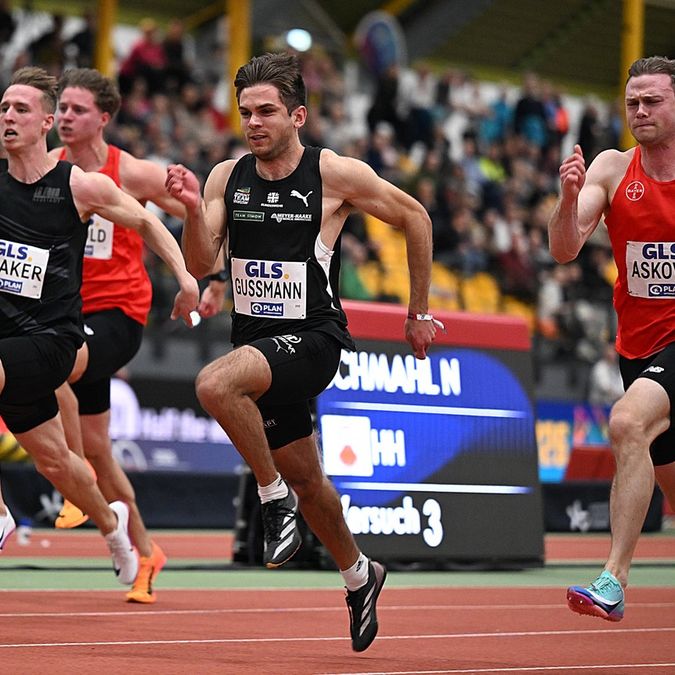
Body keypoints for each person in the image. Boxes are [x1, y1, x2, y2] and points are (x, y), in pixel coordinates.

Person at [166, 51, 438, 653]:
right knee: (311, 482)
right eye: (246, 112)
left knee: (214, 384)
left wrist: (417, 314)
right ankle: (360, 575)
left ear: (298, 116)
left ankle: (272, 501)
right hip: (257, 346)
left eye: (266, 111)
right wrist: (189, 210)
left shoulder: (333, 173)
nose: (253, 123)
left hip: (314, 339)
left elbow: (416, 218)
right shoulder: (225, 177)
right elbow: (202, 262)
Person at [0, 66, 197, 586]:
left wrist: (194, 275)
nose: (9, 117)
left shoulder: (95, 180)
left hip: (83, 328)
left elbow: (157, 219)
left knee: (67, 408)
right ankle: (122, 534)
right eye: (3, 108)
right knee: (74, 457)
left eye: (22, 109)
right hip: (18, 338)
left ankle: (2, 513)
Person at [48, 67, 225, 604]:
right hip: (69, 315)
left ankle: (75, 486)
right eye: (61, 108)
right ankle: (148, 551)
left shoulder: (132, 172)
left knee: (52, 364)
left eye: (78, 109)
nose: (65, 117)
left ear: (104, 117)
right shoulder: (49, 170)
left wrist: (213, 278)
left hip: (120, 314)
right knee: (100, 450)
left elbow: (204, 221)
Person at [548, 56, 675, 622]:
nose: (640, 111)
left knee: (626, 421)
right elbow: (564, 249)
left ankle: (613, 579)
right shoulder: (612, 168)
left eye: (653, 101)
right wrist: (568, 197)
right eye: (633, 103)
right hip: (638, 347)